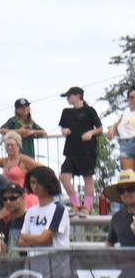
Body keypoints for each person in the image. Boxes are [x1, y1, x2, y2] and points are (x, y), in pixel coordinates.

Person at [16, 167, 70, 278]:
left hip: (56, 268)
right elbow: (20, 241)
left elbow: (45, 239)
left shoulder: (59, 209)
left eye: (38, 182)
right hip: (34, 267)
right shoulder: (30, 212)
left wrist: (31, 239)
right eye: (32, 182)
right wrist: (36, 239)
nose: (35, 186)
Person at [57, 85, 103, 215]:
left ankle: (87, 207)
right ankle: (75, 204)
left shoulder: (89, 110)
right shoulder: (66, 112)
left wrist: (91, 133)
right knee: (64, 177)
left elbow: (100, 128)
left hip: (87, 150)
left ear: (78, 96)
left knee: (87, 178)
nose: (68, 98)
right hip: (71, 150)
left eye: (69, 96)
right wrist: (64, 131)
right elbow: (63, 128)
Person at [0, 131, 42, 209]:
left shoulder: (24, 160)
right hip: (10, 199)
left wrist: (35, 185)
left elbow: (43, 169)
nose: (9, 147)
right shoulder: (4, 161)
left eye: (12, 145)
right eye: (7, 145)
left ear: (18, 146)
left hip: (25, 198)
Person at [103, 169, 135, 248]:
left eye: (131, 188)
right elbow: (109, 244)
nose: (126, 193)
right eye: (121, 190)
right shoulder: (117, 218)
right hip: (124, 260)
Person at [105, 88, 135, 171]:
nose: (134, 99)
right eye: (132, 97)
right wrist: (112, 129)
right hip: (126, 144)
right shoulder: (123, 116)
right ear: (128, 99)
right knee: (129, 176)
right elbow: (110, 134)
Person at [0, 182, 28, 251]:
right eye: (4, 199)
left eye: (13, 198)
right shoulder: (10, 223)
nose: (8, 202)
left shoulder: (30, 219)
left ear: (23, 198)